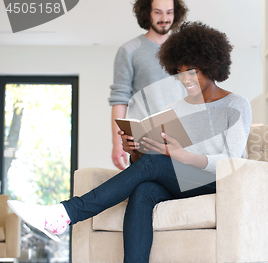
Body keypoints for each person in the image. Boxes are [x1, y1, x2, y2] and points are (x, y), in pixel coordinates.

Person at [8, 21, 252, 263]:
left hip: (219, 182)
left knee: (155, 164)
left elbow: (231, 161)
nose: (185, 80)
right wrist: (135, 149)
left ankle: (65, 214)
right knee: (143, 190)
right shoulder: (174, 109)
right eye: (179, 73)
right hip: (181, 181)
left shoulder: (235, 104)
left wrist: (181, 156)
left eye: (192, 72)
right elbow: (149, 161)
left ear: (212, 66)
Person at [110, 0, 188, 170]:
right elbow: (119, 99)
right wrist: (117, 144)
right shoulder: (129, 50)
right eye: (158, 12)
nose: (164, 18)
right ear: (147, 13)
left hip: (180, 140)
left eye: (169, 12)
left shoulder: (184, 50)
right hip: (144, 140)